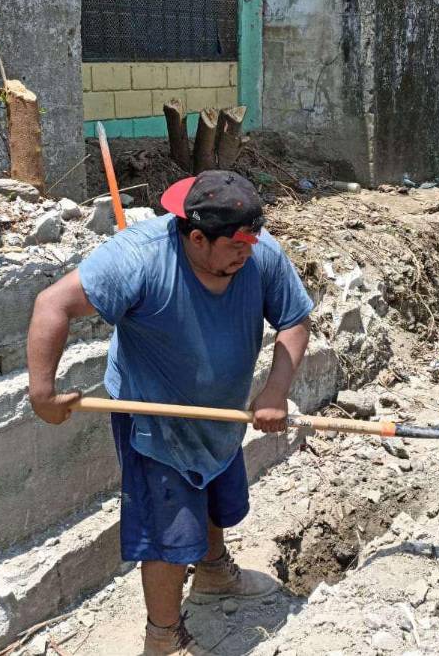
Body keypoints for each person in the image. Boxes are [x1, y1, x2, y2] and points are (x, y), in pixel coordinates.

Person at [26, 170, 313, 656]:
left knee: (215, 493)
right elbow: (51, 304)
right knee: (168, 531)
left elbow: (294, 319)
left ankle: (213, 572)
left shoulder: (258, 253)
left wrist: (275, 390)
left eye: (251, 241)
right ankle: (162, 637)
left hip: (220, 415)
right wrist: (42, 394)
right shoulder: (139, 258)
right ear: (197, 237)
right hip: (153, 418)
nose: (248, 253)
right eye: (236, 245)